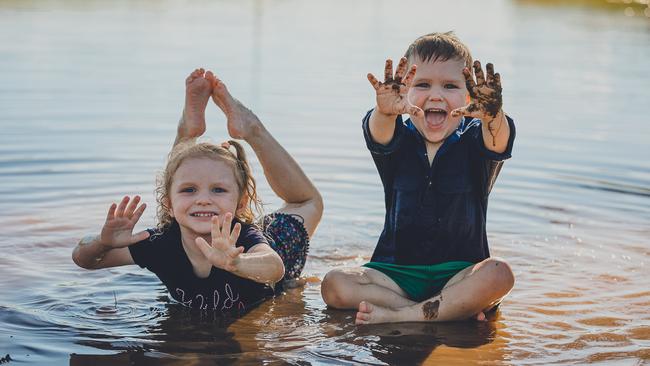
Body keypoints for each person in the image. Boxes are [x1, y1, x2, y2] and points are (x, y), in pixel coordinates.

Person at [72, 68, 323, 312]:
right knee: (183, 172)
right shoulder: (160, 244)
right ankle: (187, 133)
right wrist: (103, 243)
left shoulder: (242, 237)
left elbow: (274, 267)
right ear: (167, 202)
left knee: (306, 202)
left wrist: (237, 263)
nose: (203, 200)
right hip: (180, 217)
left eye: (218, 190)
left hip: (281, 241)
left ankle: (252, 128)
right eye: (190, 191)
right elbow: (85, 260)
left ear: (241, 202)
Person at [320, 32, 516, 324]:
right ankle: (441, 311)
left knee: (499, 273)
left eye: (450, 86)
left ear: (469, 95)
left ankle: (405, 315)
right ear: (405, 92)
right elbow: (379, 130)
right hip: (396, 276)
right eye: (422, 84)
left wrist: (493, 114)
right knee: (334, 284)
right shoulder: (397, 138)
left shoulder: (477, 138)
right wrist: (384, 110)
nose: (435, 95)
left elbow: (499, 139)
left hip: (460, 274)